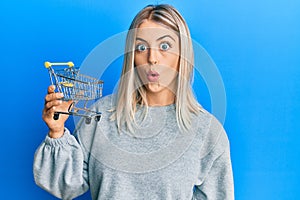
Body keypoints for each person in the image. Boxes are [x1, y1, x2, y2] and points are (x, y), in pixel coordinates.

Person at [34, 4, 234, 200]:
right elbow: (67, 186)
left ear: (182, 54)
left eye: (165, 46)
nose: (152, 58)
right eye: (141, 47)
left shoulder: (207, 132)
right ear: (132, 56)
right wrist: (57, 132)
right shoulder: (100, 115)